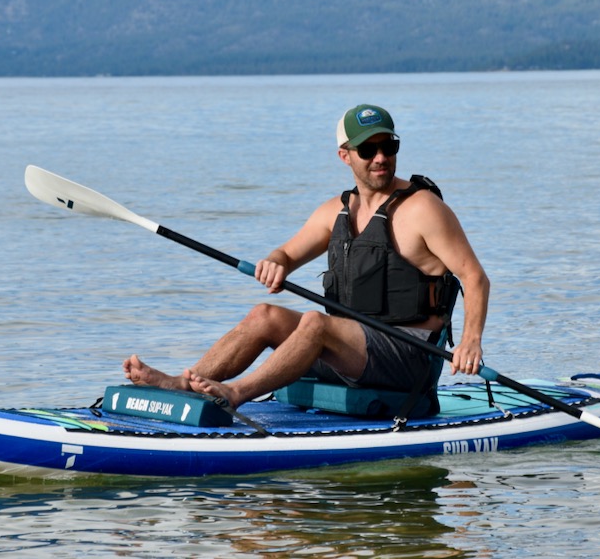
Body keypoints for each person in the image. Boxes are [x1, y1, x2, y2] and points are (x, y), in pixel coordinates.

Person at [123, 104, 489, 410]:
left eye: (388, 147)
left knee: (315, 322)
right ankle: (184, 385)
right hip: (351, 353)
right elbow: (286, 253)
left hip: (407, 358)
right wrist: (274, 262)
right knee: (265, 315)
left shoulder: (424, 209)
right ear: (344, 155)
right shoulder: (336, 211)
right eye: (368, 150)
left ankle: (237, 393)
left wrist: (471, 341)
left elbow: (474, 277)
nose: (380, 158)